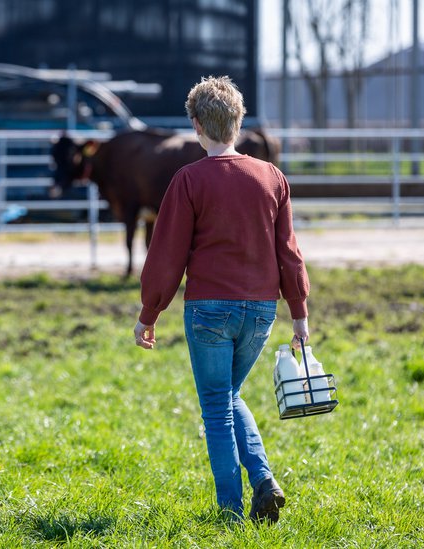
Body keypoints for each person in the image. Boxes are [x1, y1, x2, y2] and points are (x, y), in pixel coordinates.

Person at [133, 76, 310, 523]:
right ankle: (263, 480)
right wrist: (299, 313)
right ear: (239, 121)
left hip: (209, 309)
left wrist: (149, 312)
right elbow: (289, 251)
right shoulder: (272, 177)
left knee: (216, 406)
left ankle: (230, 512)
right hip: (262, 311)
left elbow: (167, 253)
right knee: (229, 395)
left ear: (196, 125)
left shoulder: (188, 180)